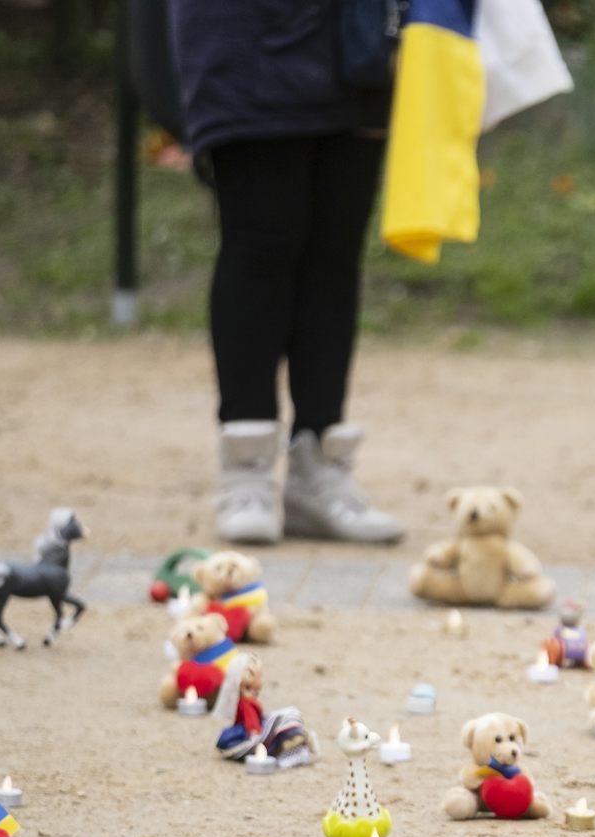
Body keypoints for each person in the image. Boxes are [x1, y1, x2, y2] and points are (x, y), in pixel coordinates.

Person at [170, 0, 407, 545]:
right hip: (243, 39)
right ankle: (245, 473)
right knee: (260, 243)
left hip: (362, 38)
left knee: (335, 253)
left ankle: (318, 469)